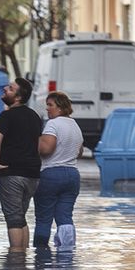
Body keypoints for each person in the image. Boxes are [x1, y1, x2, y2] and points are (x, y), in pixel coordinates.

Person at [0, 76, 43, 250]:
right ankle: (24, 260)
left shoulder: (6, 116)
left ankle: (15, 261)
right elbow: (38, 144)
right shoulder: (35, 116)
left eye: (11, 88)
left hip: (12, 173)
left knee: (13, 219)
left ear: (18, 97)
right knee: (21, 217)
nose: (6, 89)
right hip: (33, 175)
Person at [33, 91, 83, 250]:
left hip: (51, 174)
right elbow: (79, 152)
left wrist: (36, 140)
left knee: (43, 219)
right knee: (65, 217)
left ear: (60, 108)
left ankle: (41, 258)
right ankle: (67, 257)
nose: (47, 109)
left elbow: (46, 149)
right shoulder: (75, 125)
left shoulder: (53, 124)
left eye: (50, 105)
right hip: (73, 175)